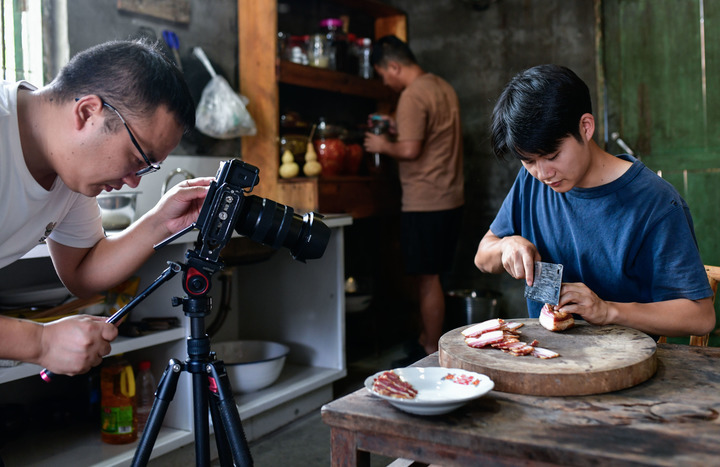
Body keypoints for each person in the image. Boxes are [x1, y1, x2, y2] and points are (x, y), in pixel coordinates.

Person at [0, 39, 213, 376]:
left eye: (147, 168)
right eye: (137, 159)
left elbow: (82, 272)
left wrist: (162, 222)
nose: (134, 182)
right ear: (87, 113)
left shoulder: (70, 168)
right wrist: (40, 343)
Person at [474, 64, 716, 338]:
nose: (543, 173)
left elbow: (701, 317)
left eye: (552, 156)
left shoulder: (656, 202)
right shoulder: (531, 181)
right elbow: (483, 257)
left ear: (586, 127)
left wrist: (608, 311)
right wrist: (506, 246)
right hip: (545, 356)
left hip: (625, 360)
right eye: (528, 161)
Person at [363, 36, 464, 357]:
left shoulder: (411, 95)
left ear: (394, 66)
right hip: (450, 197)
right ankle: (426, 337)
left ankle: (432, 348)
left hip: (425, 201)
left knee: (427, 278)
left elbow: (410, 149)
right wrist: (397, 126)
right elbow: (430, 133)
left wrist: (382, 145)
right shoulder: (441, 87)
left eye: (383, 74)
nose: (385, 82)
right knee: (436, 275)